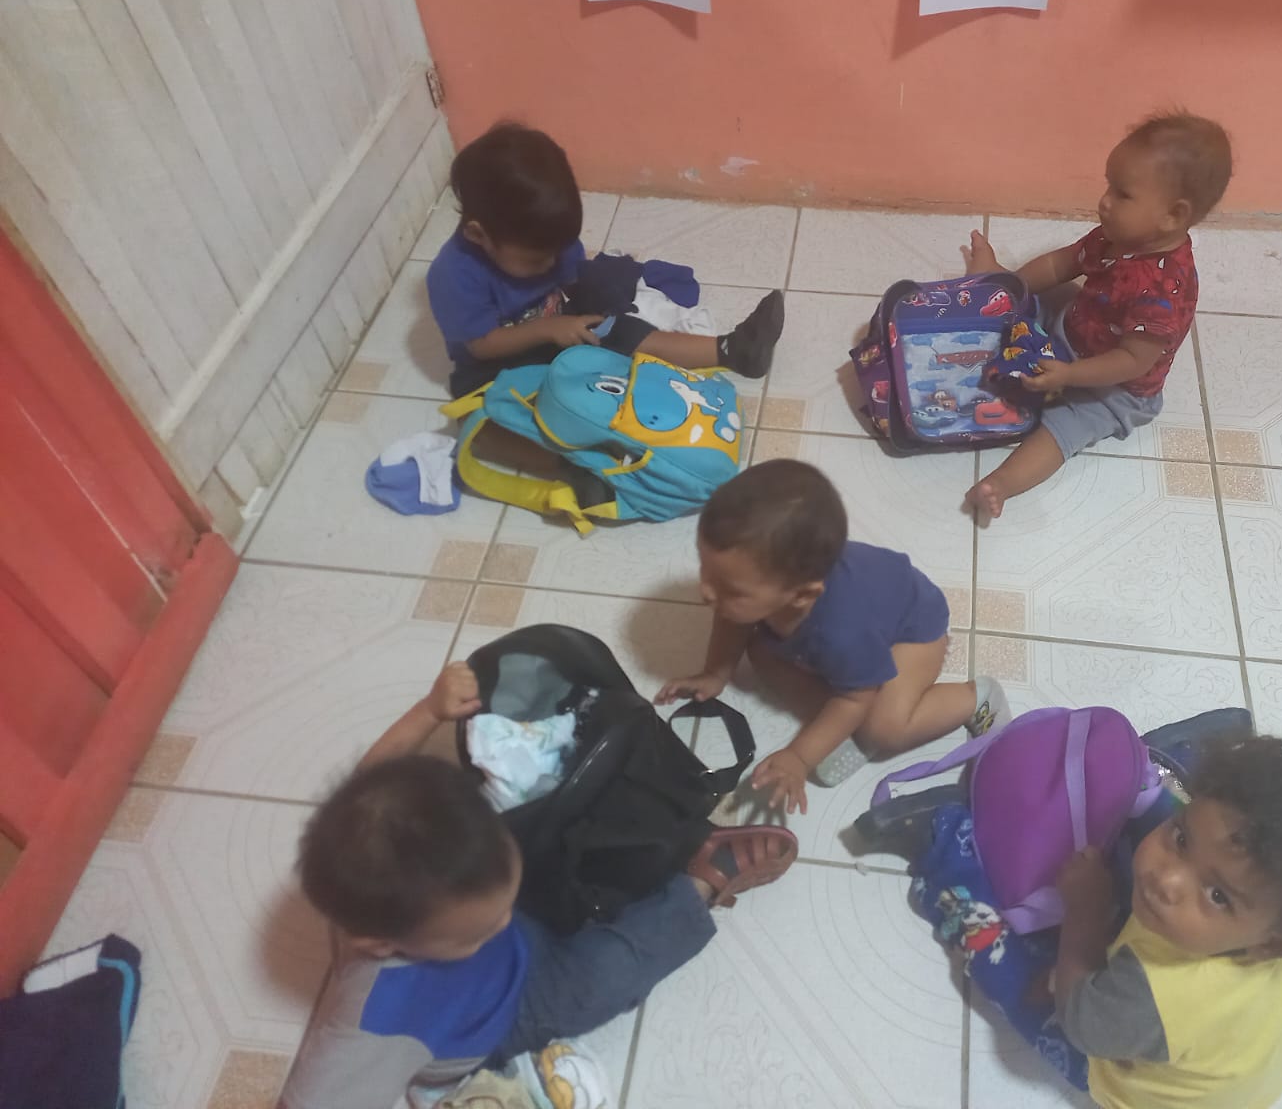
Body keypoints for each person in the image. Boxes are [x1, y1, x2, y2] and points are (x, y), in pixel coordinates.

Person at [279, 663, 798, 1109]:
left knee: (561, 832)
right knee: (605, 977)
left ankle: (637, 850)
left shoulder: (387, 851)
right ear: (379, 944)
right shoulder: (376, 1021)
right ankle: (700, 885)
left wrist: (428, 711)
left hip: (511, 942)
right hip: (502, 1013)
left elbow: (373, 781)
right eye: (474, 931)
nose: (502, 920)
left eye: (501, 901)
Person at [1046, 736, 1282, 1109]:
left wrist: (1084, 911)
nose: (1166, 880)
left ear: (1273, 945)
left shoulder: (1158, 992)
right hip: (1245, 1080)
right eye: (1182, 838)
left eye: (1217, 895)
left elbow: (1083, 1025)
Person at [656, 459, 1009, 811]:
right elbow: (731, 619)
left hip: (913, 629)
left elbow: (856, 696)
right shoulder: (773, 586)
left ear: (801, 595)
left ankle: (974, 698)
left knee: (883, 729)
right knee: (760, 653)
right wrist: (715, 674)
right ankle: (837, 728)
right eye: (705, 569)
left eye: (729, 589)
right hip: (850, 634)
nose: (706, 591)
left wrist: (800, 756)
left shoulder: (843, 631)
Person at [960, 111, 1233, 519]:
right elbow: (1061, 263)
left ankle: (1001, 484)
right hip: (1082, 323)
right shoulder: (1119, 235)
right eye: (1109, 185)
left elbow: (1132, 360)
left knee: (1066, 427)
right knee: (1044, 295)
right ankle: (995, 281)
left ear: (1173, 215)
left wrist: (1070, 376)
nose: (1105, 200)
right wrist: (1011, 286)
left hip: (1115, 385)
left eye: (1122, 194)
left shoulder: (1162, 290)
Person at [428, 121, 784, 400]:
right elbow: (482, 345)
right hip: (500, 360)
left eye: (556, 252)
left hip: (559, 323)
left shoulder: (548, 240)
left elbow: (572, 277)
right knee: (492, 407)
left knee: (619, 329)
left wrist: (590, 303)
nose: (550, 265)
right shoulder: (454, 276)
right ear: (478, 235)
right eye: (537, 261)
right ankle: (565, 460)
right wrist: (548, 329)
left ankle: (733, 350)